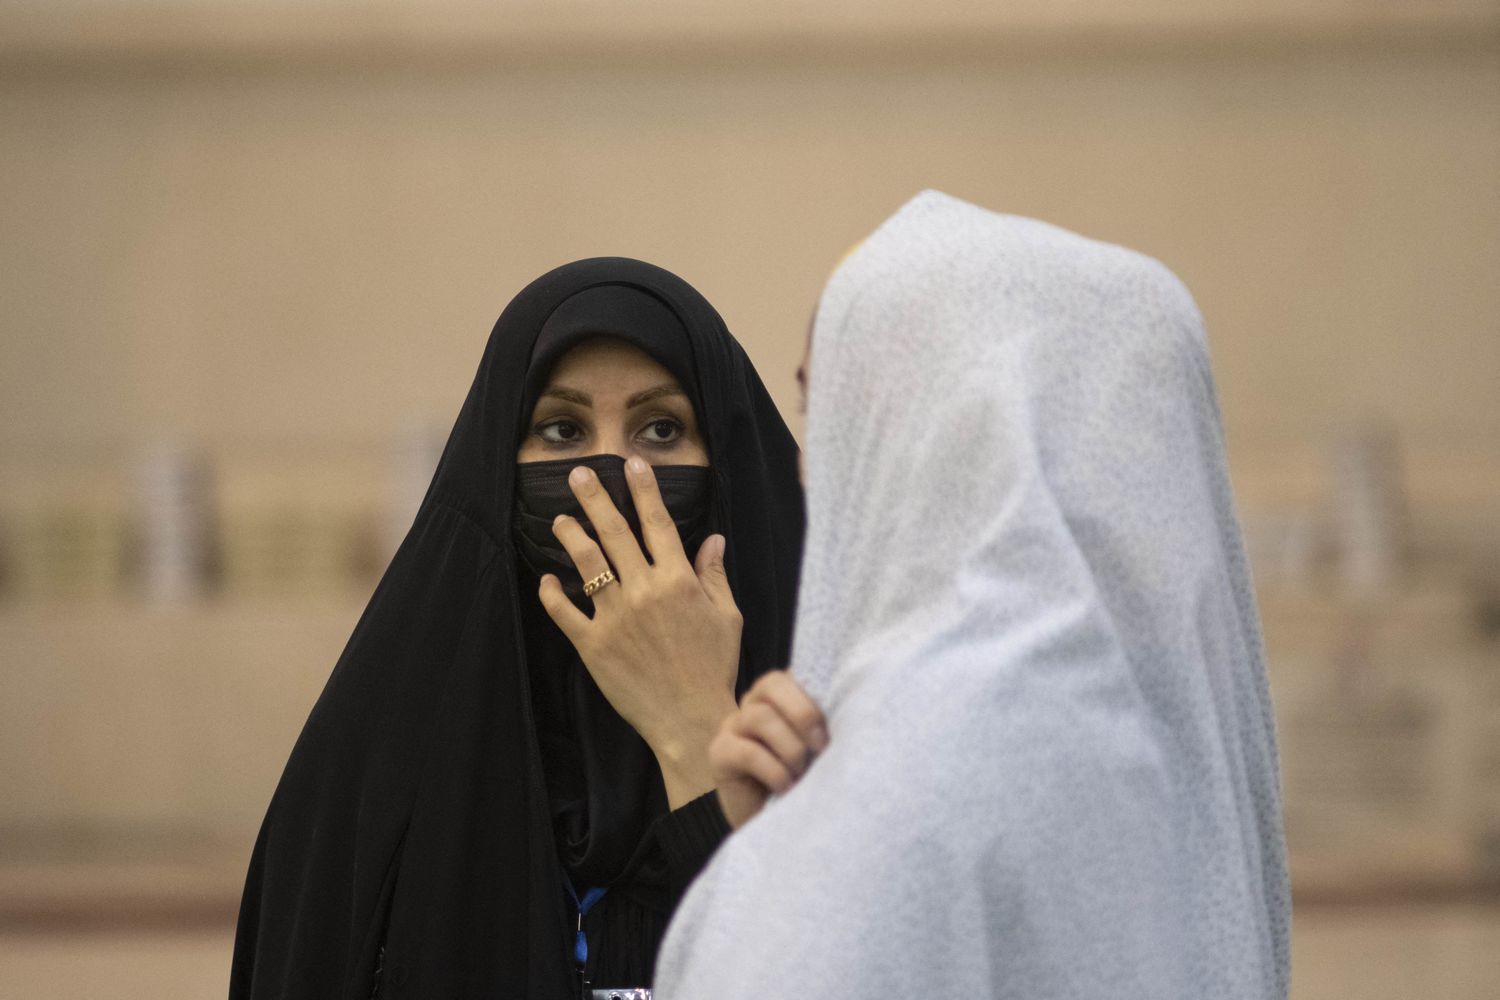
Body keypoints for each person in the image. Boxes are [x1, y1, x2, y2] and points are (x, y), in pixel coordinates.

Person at [655, 191, 1291, 998]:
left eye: (837, 407)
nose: (813, 466)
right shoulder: (1189, 757)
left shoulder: (899, 790)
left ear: (937, 428)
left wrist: (776, 859)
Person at [230, 258, 804, 999]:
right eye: (562, 429)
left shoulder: (820, 727)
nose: (609, 474)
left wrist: (695, 733)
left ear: (724, 462)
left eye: (661, 428)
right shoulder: (381, 763)